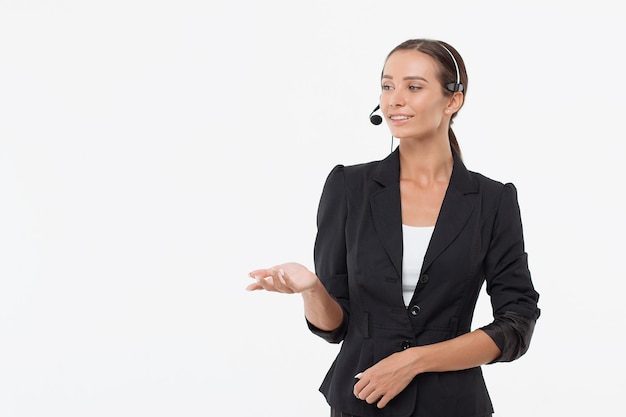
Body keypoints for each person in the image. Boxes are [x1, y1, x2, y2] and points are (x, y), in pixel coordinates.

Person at [246, 38, 540, 417]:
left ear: (452, 100)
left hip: (453, 405)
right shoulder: (348, 187)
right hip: (362, 401)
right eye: (387, 86)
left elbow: (517, 324)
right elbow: (336, 328)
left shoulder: (492, 200)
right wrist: (312, 288)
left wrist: (415, 361)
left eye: (413, 87)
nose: (394, 99)